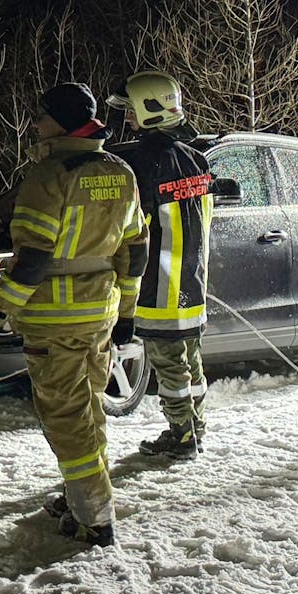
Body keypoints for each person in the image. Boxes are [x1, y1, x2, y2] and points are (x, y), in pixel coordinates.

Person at [0, 83, 148, 546]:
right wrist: (127, 312)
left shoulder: (48, 175)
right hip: (100, 316)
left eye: (42, 115)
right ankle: (81, 496)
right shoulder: (121, 171)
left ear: (62, 122)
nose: (35, 123)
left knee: (67, 419)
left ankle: (94, 515)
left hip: (55, 321)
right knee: (87, 410)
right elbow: (136, 250)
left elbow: (32, 260)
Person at [107, 71, 213, 459]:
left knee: (170, 369)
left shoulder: (144, 163)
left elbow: (135, 230)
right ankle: (196, 428)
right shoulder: (195, 158)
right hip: (192, 285)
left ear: (150, 109)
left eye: (131, 112)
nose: (129, 120)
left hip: (156, 287)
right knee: (192, 362)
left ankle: (181, 436)